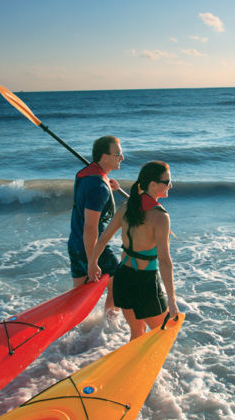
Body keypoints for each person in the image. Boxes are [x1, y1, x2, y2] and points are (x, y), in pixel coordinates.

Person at [89, 160, 179, 340]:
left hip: (123, 277)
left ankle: (131, 367)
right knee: (163, 336)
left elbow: (103, 238)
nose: (170, 185)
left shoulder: (127, 208)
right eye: (167, 181)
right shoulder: (161, 217)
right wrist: (172, 301)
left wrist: (92, 263)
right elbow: (164, 261)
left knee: (137, 334)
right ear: (152, 184)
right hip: (145, 283)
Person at [67, 135, 123, 309]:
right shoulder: (99, 187)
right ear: (104, 157)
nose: (122, 158)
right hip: (93, 247)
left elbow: (89, 194)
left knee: (79, 296)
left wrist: (108, 184)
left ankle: (77, 330)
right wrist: (93, 261)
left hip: (75, 244)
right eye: (118, 154)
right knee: (118, 286)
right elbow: (90, 227)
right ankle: (111, 327)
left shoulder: (86, 175)